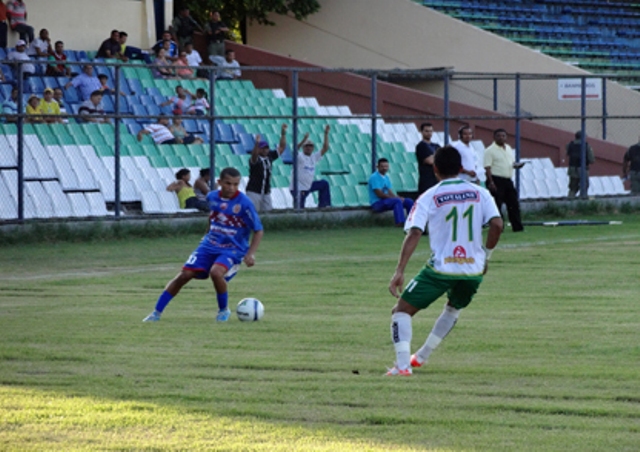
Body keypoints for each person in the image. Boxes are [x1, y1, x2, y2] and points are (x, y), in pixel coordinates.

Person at [386, 145, 503, 376]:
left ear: (435, 169)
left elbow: (415, 232)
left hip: (442, 268)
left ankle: (402, 367)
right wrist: (486, 256)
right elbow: (497, 224)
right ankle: (420, 357)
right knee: (452, 310)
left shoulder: (429, 195)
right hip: (473, 269)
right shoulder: (480, 192)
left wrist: (400, 270)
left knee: (401, 312)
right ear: (461, 168)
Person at [143, 167, 264, 323]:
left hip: (233, 248)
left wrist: (250, 254)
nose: (232, 188)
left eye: (235, 184)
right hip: (209, 244)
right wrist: (207, 234)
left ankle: (223, 310)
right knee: (184, 275)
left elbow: (258, 230)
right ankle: (156, 313)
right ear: (219, 182)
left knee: (216, 272)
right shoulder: (212, 197)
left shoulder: (245, 203)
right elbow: (213, 216)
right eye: (228, 183)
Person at [483, 129, 525, 232]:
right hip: (496, 179)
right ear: (494, 137)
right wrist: (491, 182)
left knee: (513, 204)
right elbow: (487, 167)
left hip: (507, 180)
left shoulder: (509, 148)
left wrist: (516, 165)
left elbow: (510, 162)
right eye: (498, 136)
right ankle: (498, 227)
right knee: (497, 205)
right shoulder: (490, 150)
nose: (501, 138)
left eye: (503, 136)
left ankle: (517, 227)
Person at [247, 124, 288, 212]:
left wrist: (283, 134)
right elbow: (254, 156)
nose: (265, 150)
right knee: (253, 213)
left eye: (267, 148)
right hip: (254, 191)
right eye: (262, 148)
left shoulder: (269, 157)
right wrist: (257, 143)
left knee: (267, 213)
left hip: (266, 191)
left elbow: (282, 147)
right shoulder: (256, 159)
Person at [290, 125, 332, 208]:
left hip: (308, 185)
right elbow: (295, 149)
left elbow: (325, 148)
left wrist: (326, 134)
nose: (308, 148)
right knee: (299, 208)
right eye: (306, 146)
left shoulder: (313, 157)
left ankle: (324, 206)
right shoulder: (300, 157)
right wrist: (303, 140)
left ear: (313, 148)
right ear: (303, 148)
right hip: (299, 187)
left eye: (310, 146)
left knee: (324, 184)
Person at [369, 158, 414, 226]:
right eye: (382, 166)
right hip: (377, 203)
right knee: (397, 201)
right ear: (377, 167)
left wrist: (398, 197)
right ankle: (400, 222)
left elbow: (389, 191)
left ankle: (412, 222)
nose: (384, 168)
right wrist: (395, 198)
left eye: (386, 166)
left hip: (387, 201)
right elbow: (379, 194)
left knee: (408, 201)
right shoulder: (374, 177)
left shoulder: (386, 177)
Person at [566, 131, 595, 198]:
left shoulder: (569, 145)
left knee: (573, 188)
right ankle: (582, 201)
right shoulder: (586, 146)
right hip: (583, 169)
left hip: (572, 168)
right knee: (584, 186)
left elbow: (568, 153)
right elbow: (592, 160)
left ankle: (570, 200)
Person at [415, 122, 440, 194]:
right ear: (421, 132)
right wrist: (438, 156)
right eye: (426, 131)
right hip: (426, 181)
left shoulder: (436, 145)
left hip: (437, 180)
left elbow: (444, 158)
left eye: (430, 131)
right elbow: (429, 161)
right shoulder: (421, 146)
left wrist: (434, 156)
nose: (429, 133)